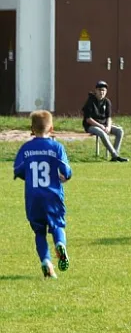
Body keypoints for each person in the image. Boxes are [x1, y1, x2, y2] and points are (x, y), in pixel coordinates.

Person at [13, 110, 72, 279]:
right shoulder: (56, 147)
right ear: (51, 128)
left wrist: (30, 177)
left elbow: (18, 170)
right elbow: (66, 171)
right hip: (53, 195)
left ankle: (46, 262)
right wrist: (64, 177)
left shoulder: (26, 148)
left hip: (33, 197)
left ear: (31, 129)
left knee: (39, 232)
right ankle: (60, 244)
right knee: (57, 226)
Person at [82, 80, 129, 162]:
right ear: (96, 90)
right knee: (102, 133)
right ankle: (115, 155)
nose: (101, 92)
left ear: (106, 92)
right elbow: (88, 119)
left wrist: (108, 126)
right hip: (91, 126)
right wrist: (101, 126)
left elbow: (109, 117)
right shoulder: (90, 101)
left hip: (104, 125)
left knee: (119, 131)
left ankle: (115, 156)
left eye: (103, 90)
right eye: (99, 90)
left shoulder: (107, 102)